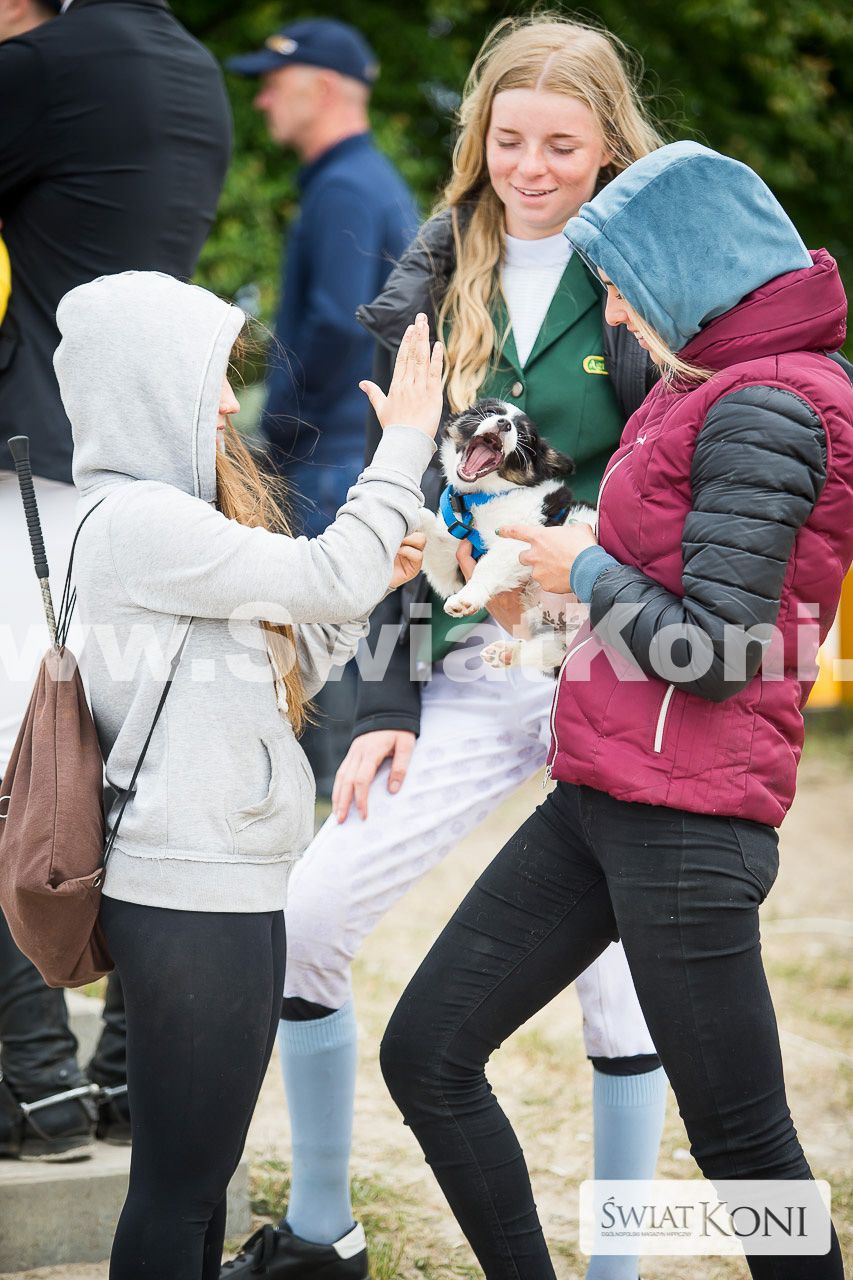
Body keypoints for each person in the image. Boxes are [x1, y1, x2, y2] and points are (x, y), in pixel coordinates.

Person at [224, 18, 666, 1280]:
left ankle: (616, 1268)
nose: (530, 167)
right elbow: (396, 500)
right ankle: (323, 1230)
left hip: (616, 665)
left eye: (562, 144)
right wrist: (378, 702)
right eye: (508, 138)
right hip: (470, 660)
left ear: (608, 144)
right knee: (309, 908)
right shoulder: (434, 270)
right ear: (479, 137)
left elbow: (690, 468)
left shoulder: (653, 267)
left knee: (620, 984)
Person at [380, 142, 853, 1279]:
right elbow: (655, 584)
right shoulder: (706, 388)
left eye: (624, 287)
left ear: (690, 268)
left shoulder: (770, 405)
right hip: (602, 788)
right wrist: (513, 571)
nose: (617, 315)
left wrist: (580, 568)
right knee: (427, 1053)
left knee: (744, 1151)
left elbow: (721, 649)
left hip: (686, 821)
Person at [58, 271, 441, 1279]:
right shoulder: (139, 520)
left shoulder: (169, 522)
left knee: (198, 1176)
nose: (231, 404)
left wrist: (373, 584)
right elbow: (323, 572)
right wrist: (406, 442)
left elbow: (294, 656)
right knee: (181, 1187)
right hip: (189, 887)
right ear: (149, 383)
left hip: (223, 878)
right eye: (210, 378)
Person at [0, 0, 231, 1158]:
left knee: (17, 765)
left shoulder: (44, 64)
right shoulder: (191, 67)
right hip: (157, 456)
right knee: (131, 767)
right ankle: (129, 1077)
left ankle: (36, 1089)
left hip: (42, 463)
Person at [226, 19, 420, 796]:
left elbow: (339, 325)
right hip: (351, 452)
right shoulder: (366, 181)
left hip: (329, 458)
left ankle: (318, 831)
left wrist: (276, 439)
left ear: (327, 89)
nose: (263, 100)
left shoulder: (344, 187)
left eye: (275, 83)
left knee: (319, 668)